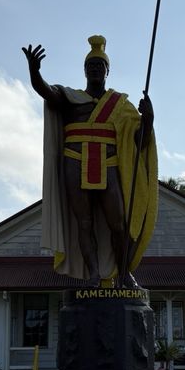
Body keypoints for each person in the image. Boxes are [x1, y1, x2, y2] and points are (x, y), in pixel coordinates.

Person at [23, 36, 158, 285]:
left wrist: (148, 118)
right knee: (84, 223)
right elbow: (47, 92)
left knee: (118, 223)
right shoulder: (71, 98)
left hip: (109, 164)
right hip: (75, 161)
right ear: (84, 70)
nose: (95, 69)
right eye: (91, 66)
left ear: (107, 71)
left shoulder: (120, 105)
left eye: (100, 65)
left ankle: (123, 271)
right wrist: (34, 73)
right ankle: (93, 274)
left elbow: (140, 141)